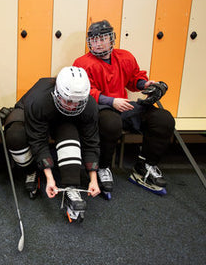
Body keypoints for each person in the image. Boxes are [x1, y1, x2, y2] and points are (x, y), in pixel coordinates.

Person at [73, 20, 175, 197]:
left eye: (102, 38)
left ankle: (145, 166)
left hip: (123, 106)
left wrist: (146, 85)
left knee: (163, 119)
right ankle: (102, 167)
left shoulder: (125, 56)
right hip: (100, 108)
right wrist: (111, 102)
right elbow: (86, 92)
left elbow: (134, 79)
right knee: (111, 123)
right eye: (94, 39)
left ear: (111, 39)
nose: (98, 43)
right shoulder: (82, 63)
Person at [4, 66, 100, 222]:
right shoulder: (38, 100)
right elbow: (38, 140)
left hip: (62, 120)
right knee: (16, 135)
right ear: (58, 93)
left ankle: (71, 186)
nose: (72, 106)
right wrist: (49, 177)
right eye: (68, 100)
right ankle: (31, 171)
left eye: (78, 102)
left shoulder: (89, 105)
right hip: (33, 112)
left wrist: (93, 178)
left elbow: (91, 142)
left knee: (69, 131)